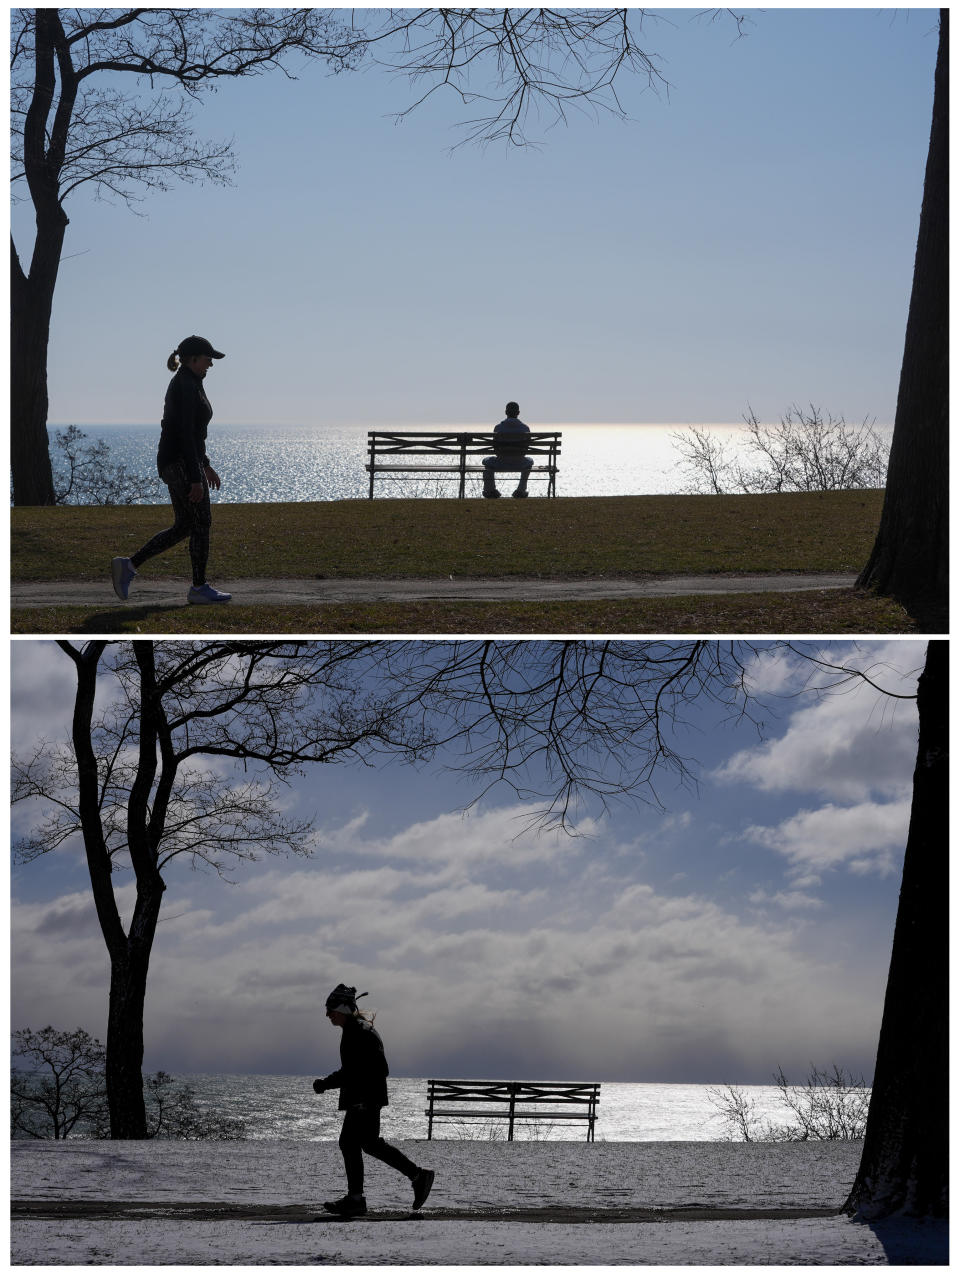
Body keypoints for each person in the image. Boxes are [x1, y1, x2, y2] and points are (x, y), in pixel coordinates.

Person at [110, 335, 231, 605]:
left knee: (185, 525)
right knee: (202, 522)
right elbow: (186, 434)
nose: (211, 363)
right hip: (179, 463)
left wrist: (206, 465)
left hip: (178, 462)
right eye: (208, 358)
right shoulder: (186, 384)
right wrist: (196, 477)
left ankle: (128, 566)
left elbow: (195, 434)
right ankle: (199, 588)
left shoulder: (192, 382)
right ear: (193, 359)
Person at [313, 984, 435, 1217]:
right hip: (366, 1098)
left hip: (364, 1100)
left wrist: (325, 1084)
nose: (327, 1015)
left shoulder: (357, 1032)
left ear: (343, 1009)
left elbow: (366, 1070)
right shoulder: (357, 1030)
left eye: (331, 1010)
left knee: (351, 1144)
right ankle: (417, 1176)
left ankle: (358, 1199)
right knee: (368, 1144)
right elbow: (359, 1069)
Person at [482, 401, 534, 498]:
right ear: (518, 413)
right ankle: (521, 490)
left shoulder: (498, 428)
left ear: (506, 412)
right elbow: (526, 449)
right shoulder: (525, 428)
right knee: (530, 462)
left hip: (501, 462)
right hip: (520, 463)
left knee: (486, 462)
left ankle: (490, 490)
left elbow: (496, 450)